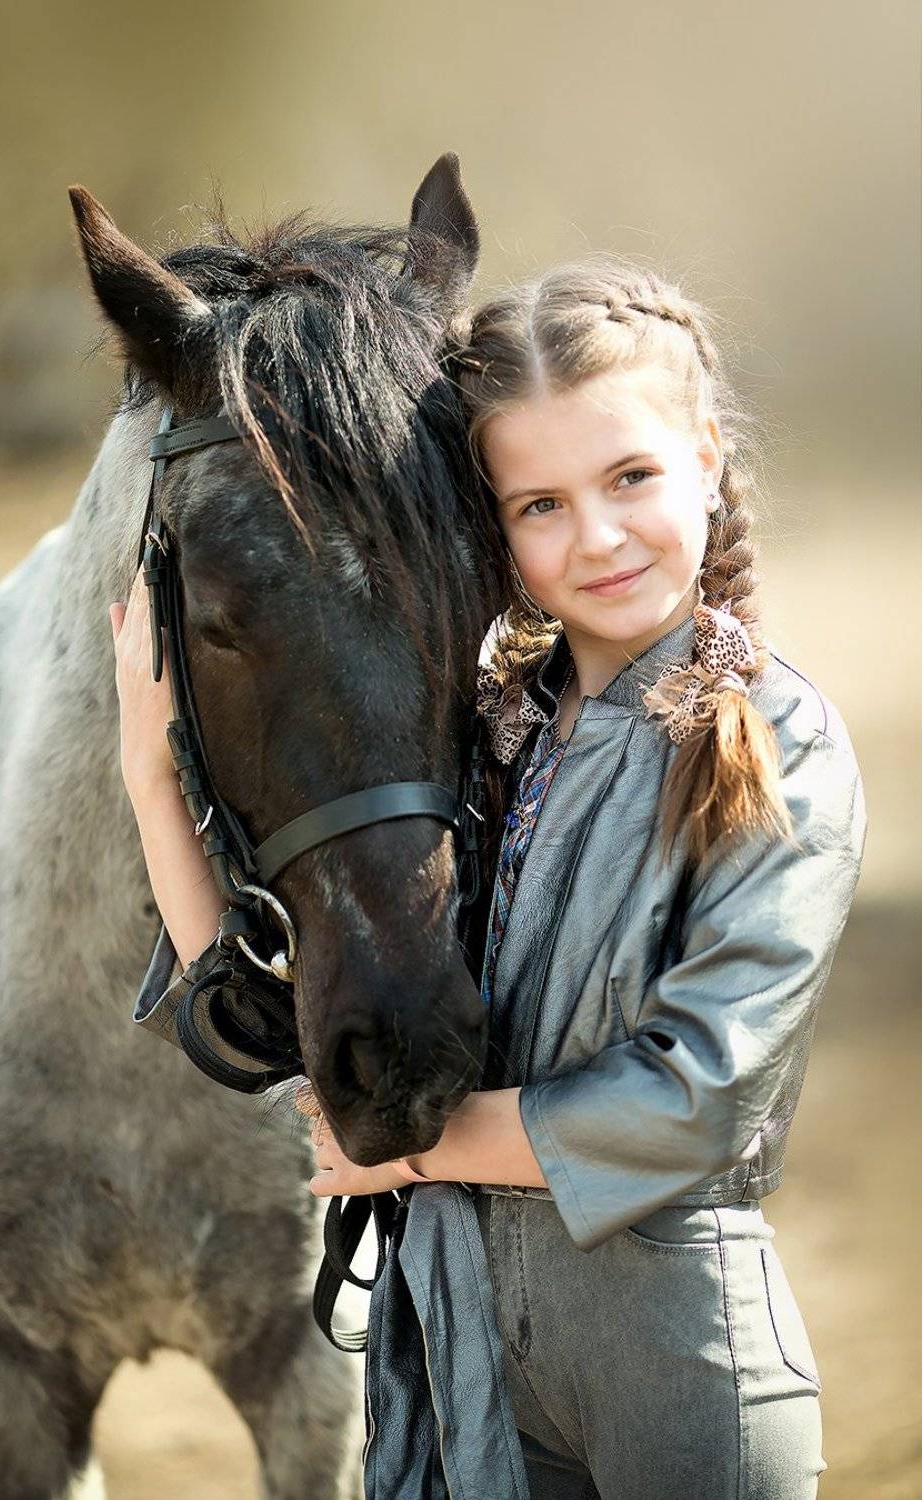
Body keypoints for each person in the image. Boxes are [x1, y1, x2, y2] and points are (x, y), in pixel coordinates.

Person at [114, 258, 866, 1499]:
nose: (598, 537)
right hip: (456, 1363)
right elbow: (277, 1030)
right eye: (539, 505)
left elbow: (698, 1100)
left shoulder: (777, 744)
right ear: (490, 527)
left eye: (630, 478)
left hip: (673, 1366)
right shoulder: (481, 745)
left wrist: (414, 1154)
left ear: (710, 461)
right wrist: (151, 770)